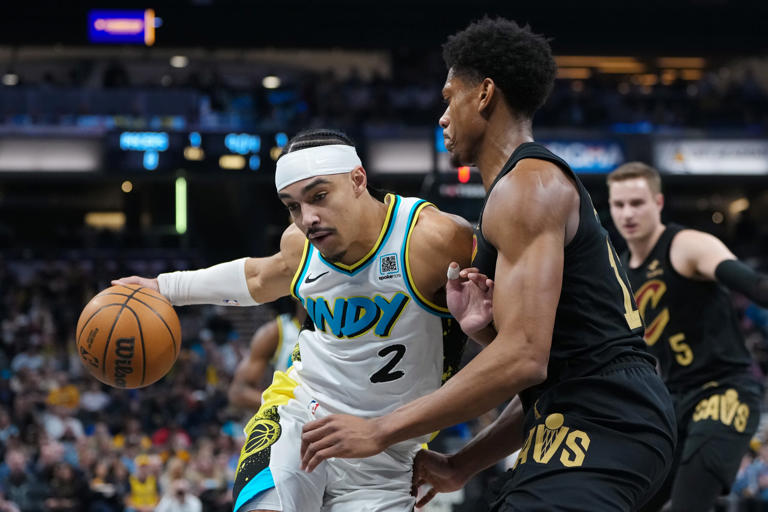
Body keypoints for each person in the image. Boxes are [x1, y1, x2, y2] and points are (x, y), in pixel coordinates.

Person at [298, 17, 677, 511]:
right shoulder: (520, 190)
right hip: (588, 415)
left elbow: (524, 359)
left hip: (607, 419)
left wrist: (380, 430)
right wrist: (461, 462)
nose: (442, 116)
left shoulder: (526, 188)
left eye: (448, 96)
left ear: (484, 94)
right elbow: (547, 371)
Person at [113, 128, 472, 512]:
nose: (308, 219)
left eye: (319, 196)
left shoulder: (434, 240)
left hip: (388, 451)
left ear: (357, 180)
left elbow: (514, 349)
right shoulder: (301, 244)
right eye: (293, 206)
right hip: (299, 418)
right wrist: (163, 287)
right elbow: (258, 277)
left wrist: (466, 462)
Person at [607, 161, 768, 511]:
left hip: (725, 390)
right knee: (630, 501)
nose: (627, 213)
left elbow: (756, 286)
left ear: (659, 203)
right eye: (619, 205)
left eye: (637, 203)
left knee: (688, 505)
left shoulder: (685, 245)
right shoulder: (618, 274)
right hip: (672, 402)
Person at [228, 299, 307, 411]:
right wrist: (283, 406)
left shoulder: (336, 331)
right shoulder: (275, 332)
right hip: (295, 420)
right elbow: (238, 391)